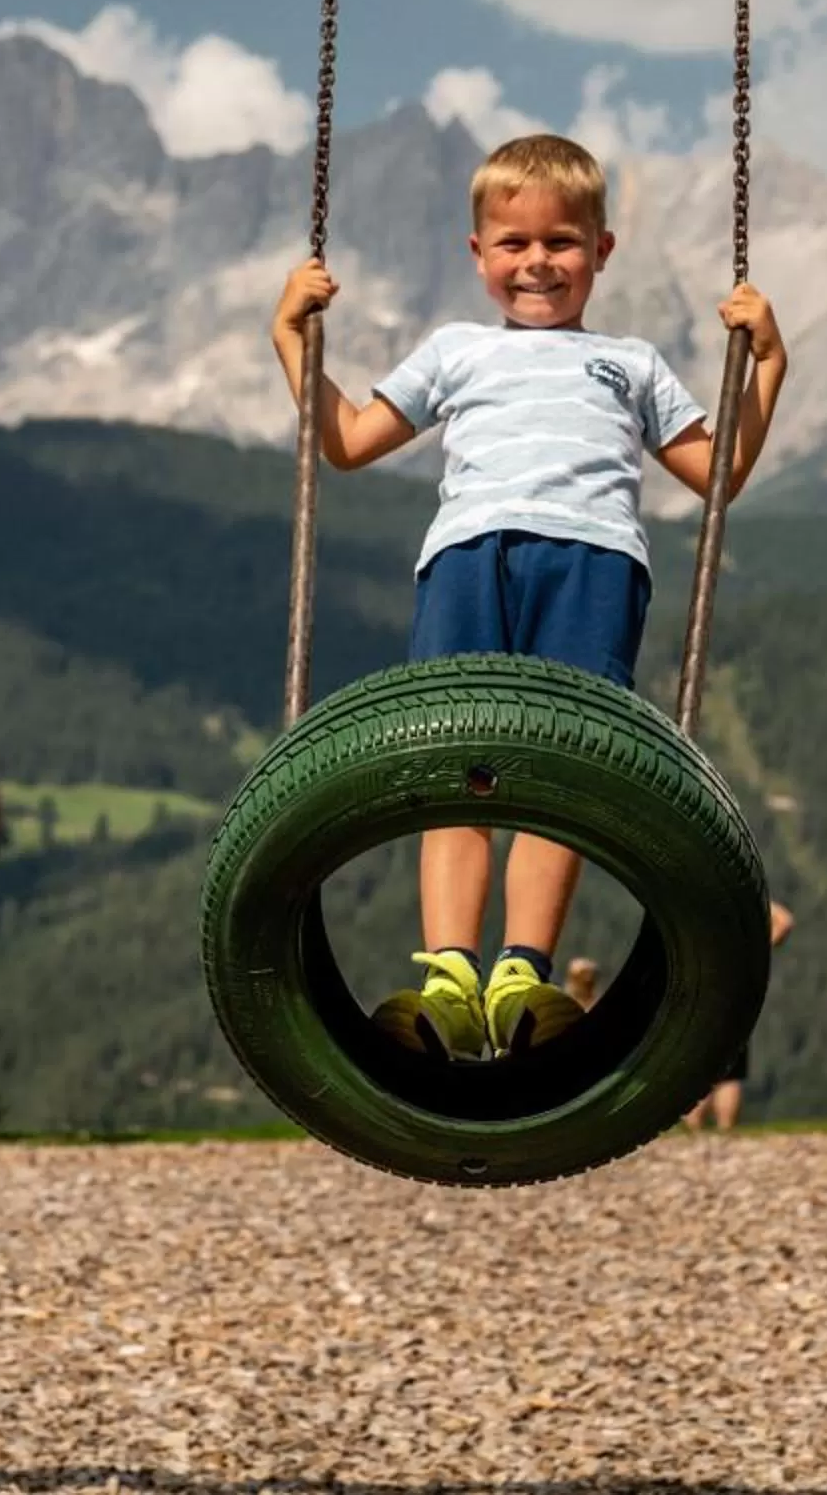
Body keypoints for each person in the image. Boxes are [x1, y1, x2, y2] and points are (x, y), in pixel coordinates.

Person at [271, 131, 787, 1061]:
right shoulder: (456, 351)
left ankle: (522, 974)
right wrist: (291, 340)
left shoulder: (629, 364)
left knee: (559, 774)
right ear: (478, 254)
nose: (537, 263)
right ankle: (449, 976)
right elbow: (345, 442)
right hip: (468, 557)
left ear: (602, 250)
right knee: (455, 770)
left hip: (595, 564)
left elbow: (718, 479)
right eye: (514, 244)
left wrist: (770, 368)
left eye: (561, 243)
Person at [685, 899, 795, 1130]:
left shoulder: (697, 897)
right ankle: (726, 1129)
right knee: (731, 1067)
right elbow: (785, 922)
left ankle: (694, 1130)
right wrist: (761, 950)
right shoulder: (740, 902)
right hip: (735, 984)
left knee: (698, 1065)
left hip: (701, 984)